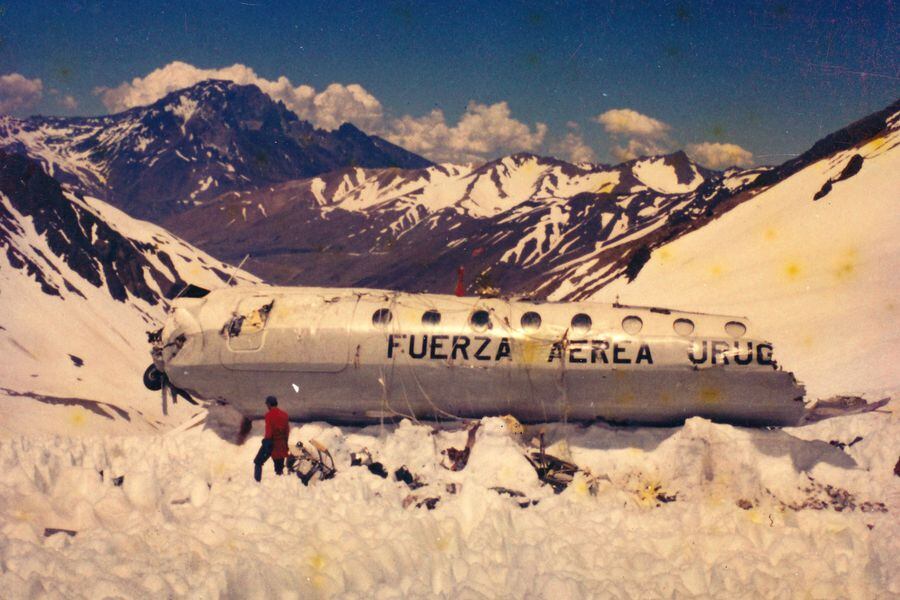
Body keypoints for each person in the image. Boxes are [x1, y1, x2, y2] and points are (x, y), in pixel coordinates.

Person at [253, 396, 290, 482]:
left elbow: (269, 431)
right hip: (282, 445)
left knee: (258, 462)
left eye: (267, 404)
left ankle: (256, 483)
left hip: (271, 443)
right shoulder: (284, 415)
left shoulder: (269, 415)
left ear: (269, 404)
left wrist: (266, 442)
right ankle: (281, 485)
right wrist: (285, 444)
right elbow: (287, 431)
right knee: (279, 469)